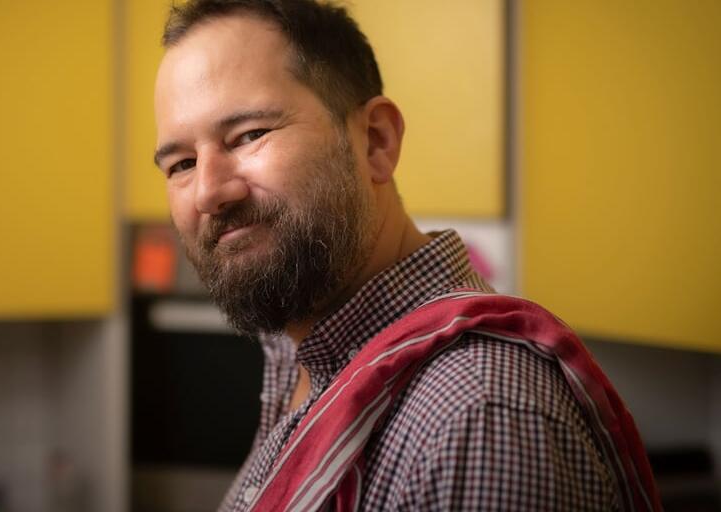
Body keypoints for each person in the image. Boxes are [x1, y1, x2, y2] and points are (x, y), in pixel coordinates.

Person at [152, 1, 661, 510]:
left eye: (249, 135)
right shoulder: (298, 356)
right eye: (181, 164)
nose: (208, 192)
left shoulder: (476, 418)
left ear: (376, 141)